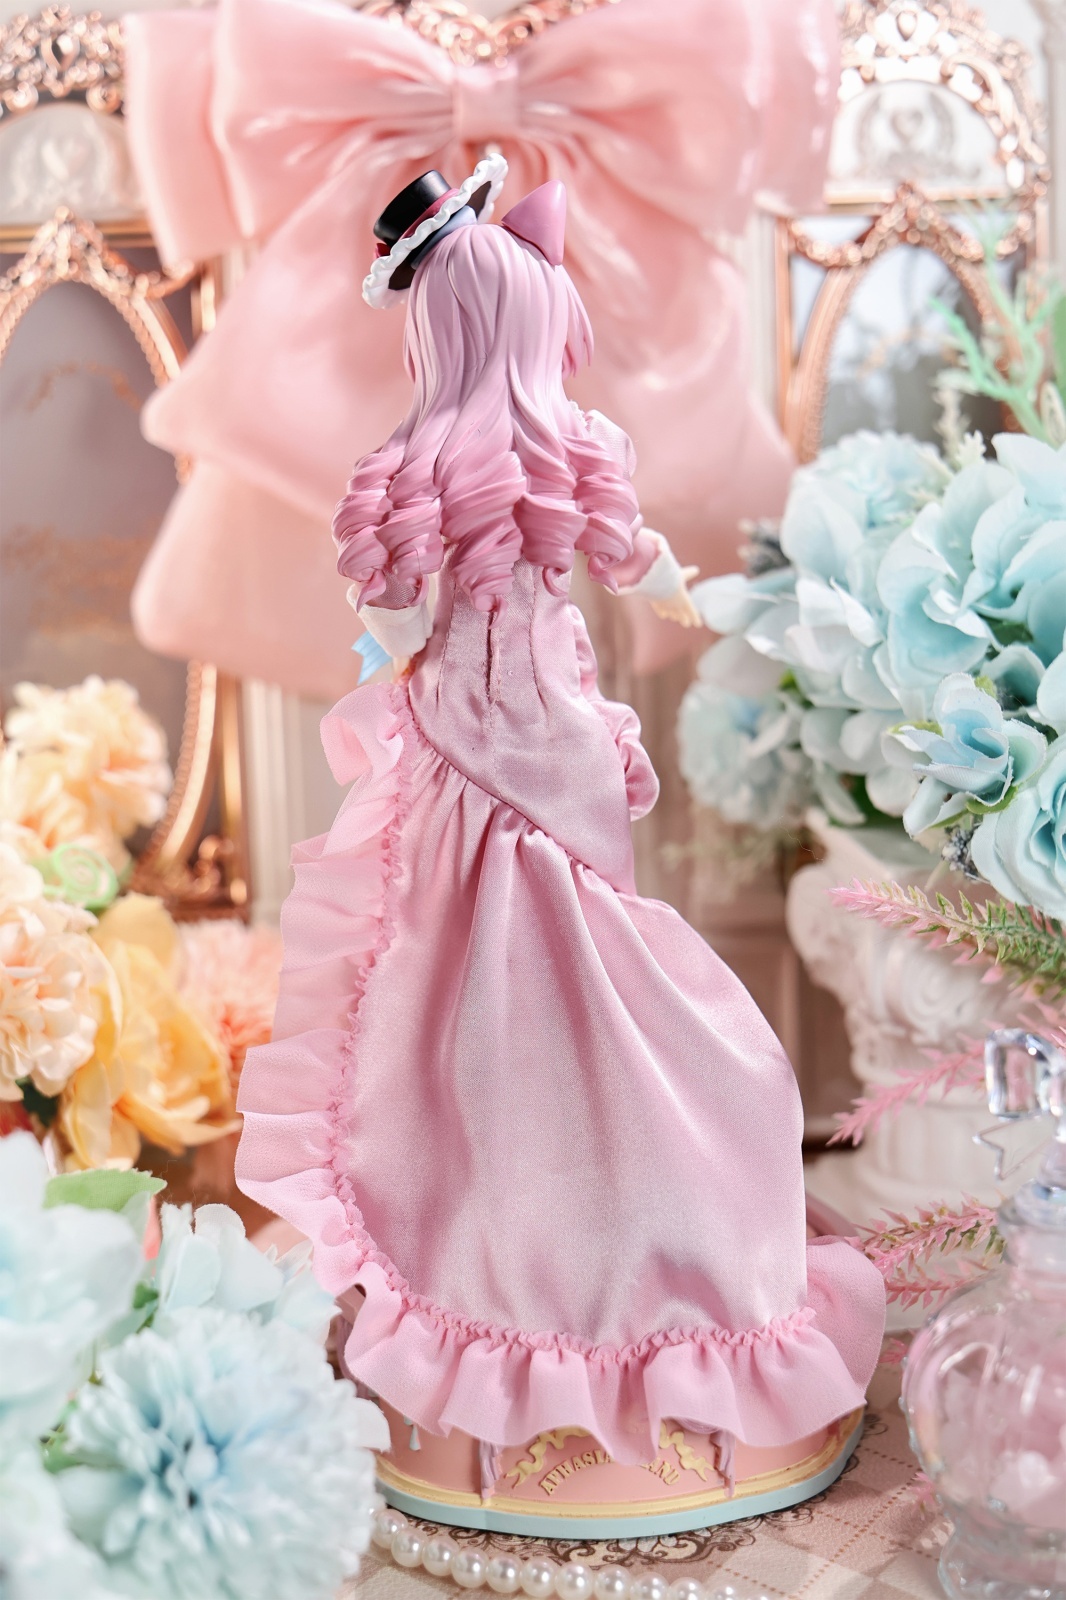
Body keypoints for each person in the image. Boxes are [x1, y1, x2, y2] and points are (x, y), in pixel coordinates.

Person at [236, 164, 884, 1475]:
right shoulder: (571, 444)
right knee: (589, 979)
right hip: (557, 742)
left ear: (440, 328)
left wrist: (403, 654)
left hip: (469, 743)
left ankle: (498, 1237)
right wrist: (735, 603)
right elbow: (648, 574)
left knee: (459, 993)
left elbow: (396, 625)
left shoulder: (410, 465)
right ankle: (622, 1232)